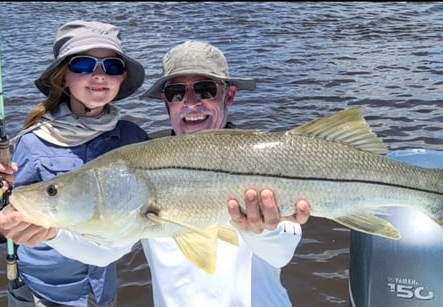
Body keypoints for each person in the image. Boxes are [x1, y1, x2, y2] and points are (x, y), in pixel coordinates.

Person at [43, 40, 308, 307]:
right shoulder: (140, 168)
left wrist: (262, 229)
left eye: (206, 90)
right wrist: (50, 233)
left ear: (229, 95)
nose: (192, 103)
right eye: (177, 93)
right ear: (166, 101)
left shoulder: (266, 157)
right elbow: (104, 252)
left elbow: (281, 254)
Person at [0, 20, 148, 307]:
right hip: (44, 290)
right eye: (84, 65)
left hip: (103, 286)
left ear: (121, 78)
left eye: (111, 66)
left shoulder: (133, 138)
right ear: (63, 77)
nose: (99, 75)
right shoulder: (32, 142)